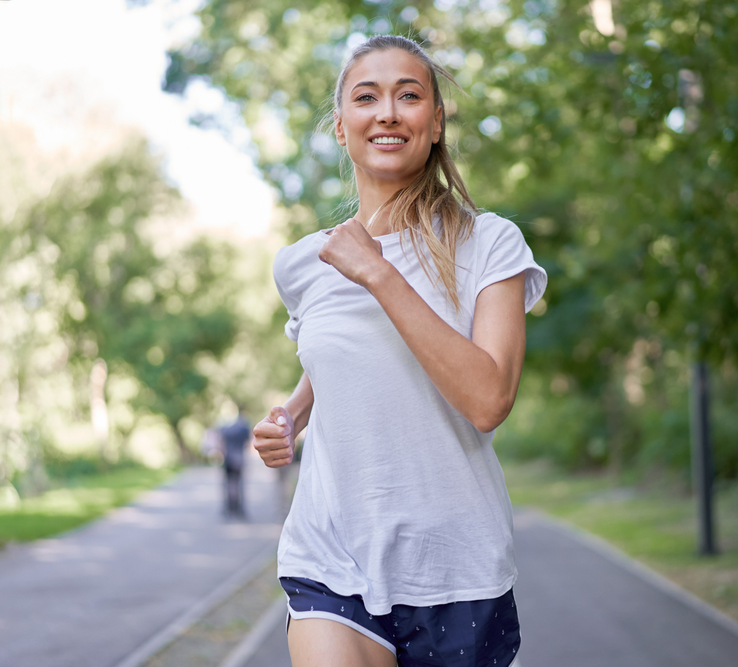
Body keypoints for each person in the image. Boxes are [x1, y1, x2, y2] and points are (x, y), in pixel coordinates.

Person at [253, 35, 546, 667]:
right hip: (331, 556)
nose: (387, 112)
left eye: (408, 96)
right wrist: (293, 413)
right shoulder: (304, 263)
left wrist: (381, 275)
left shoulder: (488, 243)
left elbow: (488, 399)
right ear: (341, 126)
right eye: (367, 97)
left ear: (435, 123)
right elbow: (339, 353)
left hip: (457, 571)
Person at [219, 407, 251, 517]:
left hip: (227, 458)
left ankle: (229, 508)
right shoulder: (243, 427)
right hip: (239, 459)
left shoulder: (224, 427)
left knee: (228, 484)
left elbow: (221, 443)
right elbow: (248, 442)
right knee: (239, 484)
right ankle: (240, 509)